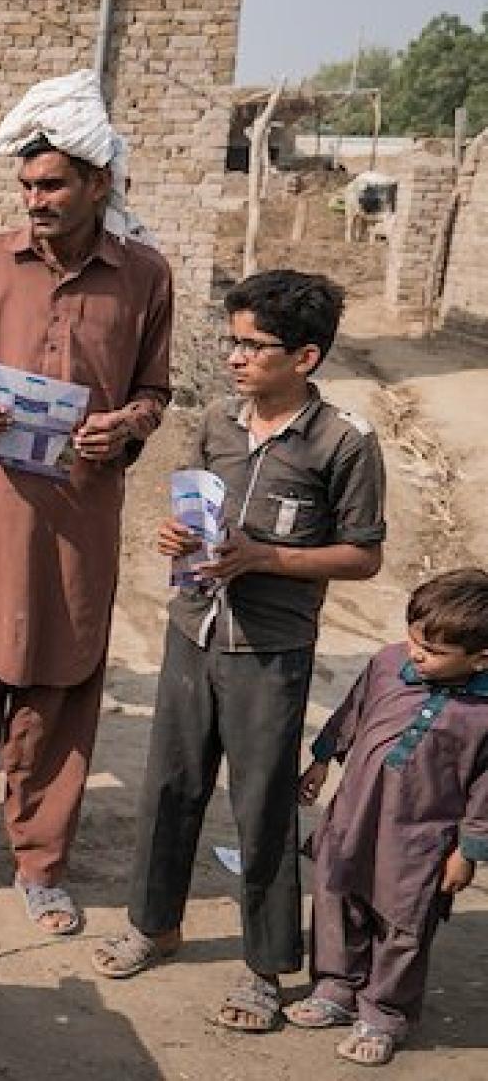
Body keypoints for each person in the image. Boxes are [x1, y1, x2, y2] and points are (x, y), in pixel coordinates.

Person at [89, 268, 387, 1029]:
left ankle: (265, 968)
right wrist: (175, 538)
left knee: (260, 808)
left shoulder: (343, 444)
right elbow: (195, 511)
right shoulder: (219, 423)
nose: (235, 357)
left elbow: (362, 556)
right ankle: (153, 925)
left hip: (271, 649)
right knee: (169, 788)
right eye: (233, 341)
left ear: (306, 358)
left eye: (255, 346)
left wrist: (266, 559)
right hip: (194, 627)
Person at [0, 69, 172, 935]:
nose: (36, 200)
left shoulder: (144, 276)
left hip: (77, 527)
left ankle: (41, 866)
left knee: (58, 699)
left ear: (99, 183)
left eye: (53, 184)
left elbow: (155, 390)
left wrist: (126, 425)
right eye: (26, 186)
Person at [285, 568, 488, 1067]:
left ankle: (384, 1013)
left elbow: (486, 791)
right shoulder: (387, 662)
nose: (417, 653)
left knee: (404, 923)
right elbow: (352, 712)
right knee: (335, 895)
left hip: (420, 840)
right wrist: (321, 759)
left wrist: (468, 852)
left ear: (481, 658)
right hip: (353, 815)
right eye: (414, 638)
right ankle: (335, 986)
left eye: (435, 651)